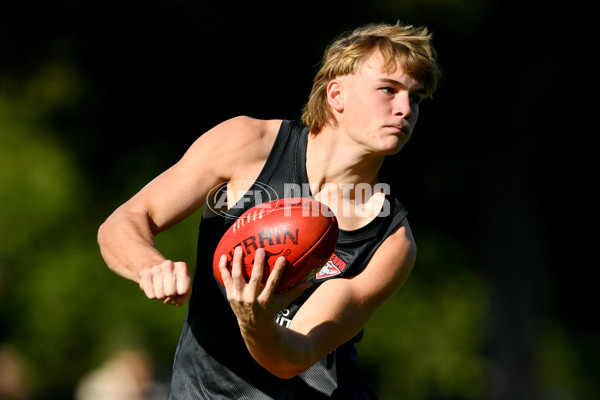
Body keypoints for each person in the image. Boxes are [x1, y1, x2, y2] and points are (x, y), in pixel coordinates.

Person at [98, 21, 441, 399]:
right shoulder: (248, 146)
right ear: (337, 94)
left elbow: (296, 355)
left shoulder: (391, 239)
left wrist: (256, 323)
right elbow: (124, 222)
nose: (405, 109)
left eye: (416, 97)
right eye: (388, 90)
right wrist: (150, 265)